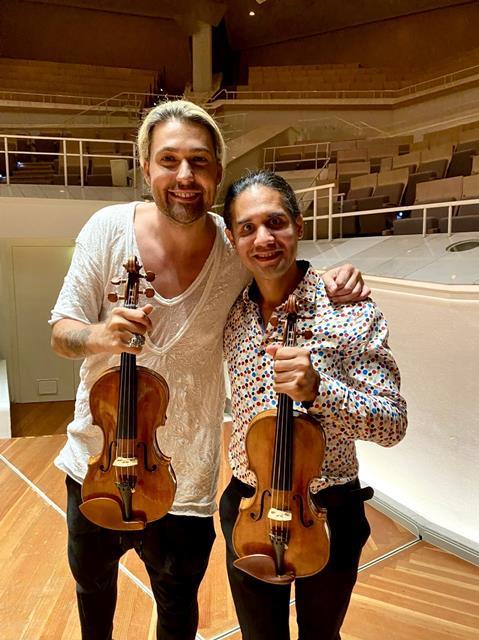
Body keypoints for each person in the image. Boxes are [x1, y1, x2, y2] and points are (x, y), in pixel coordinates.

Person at [50, 100, 369, 640]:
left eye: (198, 162)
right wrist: (100, 334)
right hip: (96, 463)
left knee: (177, 606)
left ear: (218, 171)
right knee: (93, 595)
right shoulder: (107, 229)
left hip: (186, 480)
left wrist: (336, 277)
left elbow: (281, 267)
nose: (183, 176)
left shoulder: (234, 246)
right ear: (145, 166)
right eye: (168, 160)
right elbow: (61, 332)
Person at [220, 170, 408, 640]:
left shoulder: (349, 308)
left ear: (299, 227)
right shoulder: (234, 312)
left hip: (327, 509)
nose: (263, 239)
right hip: (249, 505)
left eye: (275, 222)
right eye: (247, 227)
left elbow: (393, 423)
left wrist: (319, 390)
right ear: (232, 238)